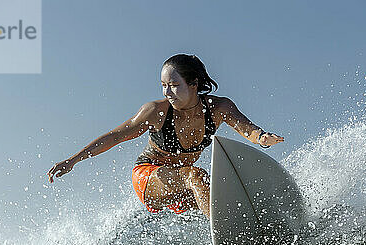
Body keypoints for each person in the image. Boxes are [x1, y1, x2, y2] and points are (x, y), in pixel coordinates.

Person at [47, 54, 284, 218]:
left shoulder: (218, 108)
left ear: (193, 84)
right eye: (163, 85)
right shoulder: (157, 111)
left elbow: (248, 129)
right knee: (197, 176)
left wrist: (262, 138)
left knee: (224, 192)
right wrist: (74, 159)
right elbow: (116, 136)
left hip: (181, 187)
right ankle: (230, 239)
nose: (167, 92)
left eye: (173, 84)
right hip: (149, 178)